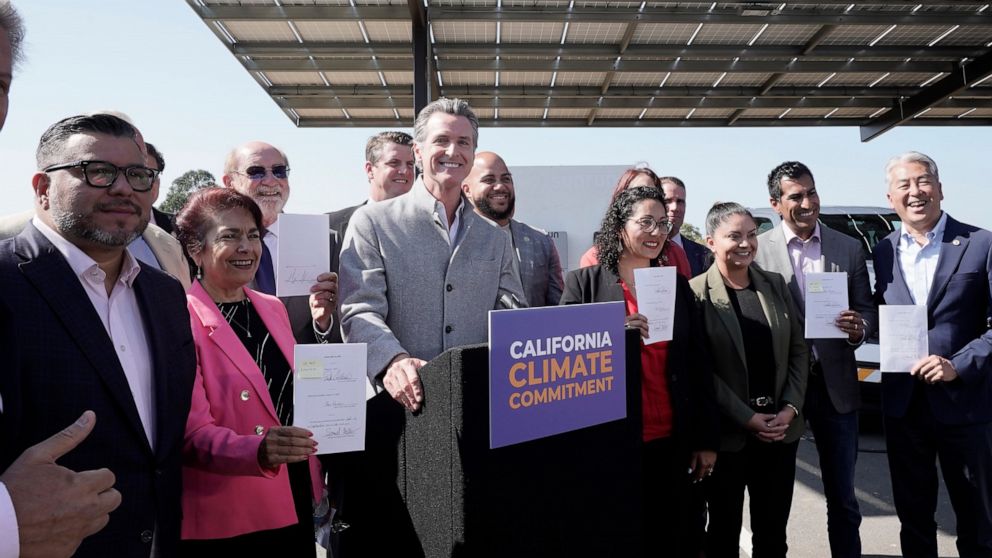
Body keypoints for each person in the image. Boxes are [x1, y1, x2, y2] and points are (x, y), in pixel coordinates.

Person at [0, 113, 196, 557]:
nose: (123, 188)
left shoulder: (166, 293)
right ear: (42, 188)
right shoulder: (5, 281)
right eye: (98, 171)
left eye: (138, 174)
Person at [336, 98, 524, 556]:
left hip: (474, 420)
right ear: (419, 151)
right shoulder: (373, 223)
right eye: (441, 140)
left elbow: (512, 309)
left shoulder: (495, 237)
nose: (452, 151)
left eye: (464, 142)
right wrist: (393, 360)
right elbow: (358, 310)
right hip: (395, 417)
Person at [560, 186, 718, 557]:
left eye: (662, 223)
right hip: (612, 443)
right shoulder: (583, 284)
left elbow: (699, 364)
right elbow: (566, 362)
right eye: (645, 222)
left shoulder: (676, 286)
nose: (657, 231)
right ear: (619, 228)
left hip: (673, 441)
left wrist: (705, 439)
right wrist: (612, 333)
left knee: (675, 537)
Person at [174, 188, 322, 556]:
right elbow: (192, 434)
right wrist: (258, 451)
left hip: (296, 486)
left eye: (253, 235)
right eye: (230, 236)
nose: (247, 247)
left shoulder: (272, 307)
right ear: (196, 249)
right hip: (233, 507)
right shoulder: (180, 318)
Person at [872, 151, 992, 557]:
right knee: (914, 518)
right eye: (903, 186)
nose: (915, 192)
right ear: (890, 198)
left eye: (922, 182)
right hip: (904, 407)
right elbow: (881, 312)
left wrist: (957, 366)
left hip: (966, 406)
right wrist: (859, 327)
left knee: (978, 519)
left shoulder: (981, 243)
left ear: (939, 188)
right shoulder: (883, 250)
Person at [753, 161, 875, 558]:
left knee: (843, 498)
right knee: (775, 499)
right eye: (796, 196)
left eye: (812, 192)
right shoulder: (758, 250)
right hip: (782, 388)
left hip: (835, 386)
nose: (808, 202)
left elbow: (867, 309)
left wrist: (860, 328)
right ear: (775, 203)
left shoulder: (848, 247)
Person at [689, 202, 808, 558]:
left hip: (780, 432)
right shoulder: (696, 293)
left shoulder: (773, 284)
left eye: (752, 234)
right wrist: (746, 417)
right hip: (728, 438)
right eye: (734, 236)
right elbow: (701, 371)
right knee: (723, 533)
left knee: (773, 534)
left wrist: (790, 407)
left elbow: (798, 350)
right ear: (711, 241)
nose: (746, 243)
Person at [221, 140, 339, 343]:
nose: (270, 181)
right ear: (230, 182)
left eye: (279, 171)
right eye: (256, 171)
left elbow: (344, 325)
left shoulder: (324, 240)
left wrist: (324, 323)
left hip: (303, 370)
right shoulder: (211, 244)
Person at [462, 150, 564, 306]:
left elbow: (557, 308)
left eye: (506, 179)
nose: (500, 186)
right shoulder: (458, 241)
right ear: (467, 190)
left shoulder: (541, 241)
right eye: (489, 180)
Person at [579, 167, 692, 278]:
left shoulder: (676, 254)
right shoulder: (594, 258)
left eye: (653, 192)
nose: (646, 197)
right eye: (637, 192)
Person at [328, 130, 415, 244]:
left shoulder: (430, 225)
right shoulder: (331, 225)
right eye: (394, 163)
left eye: (410, 164)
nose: (405, 171)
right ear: (370, 170)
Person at [659, 176, 708, 276]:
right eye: (667, 201)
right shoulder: (640, 254)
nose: (675, 208)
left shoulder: (704, 256)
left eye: (680, 202)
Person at [144, 142, 174, 234]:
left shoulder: (178, 227)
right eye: (136, 174)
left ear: (158, 181)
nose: (146, 183)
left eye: (150, 175)